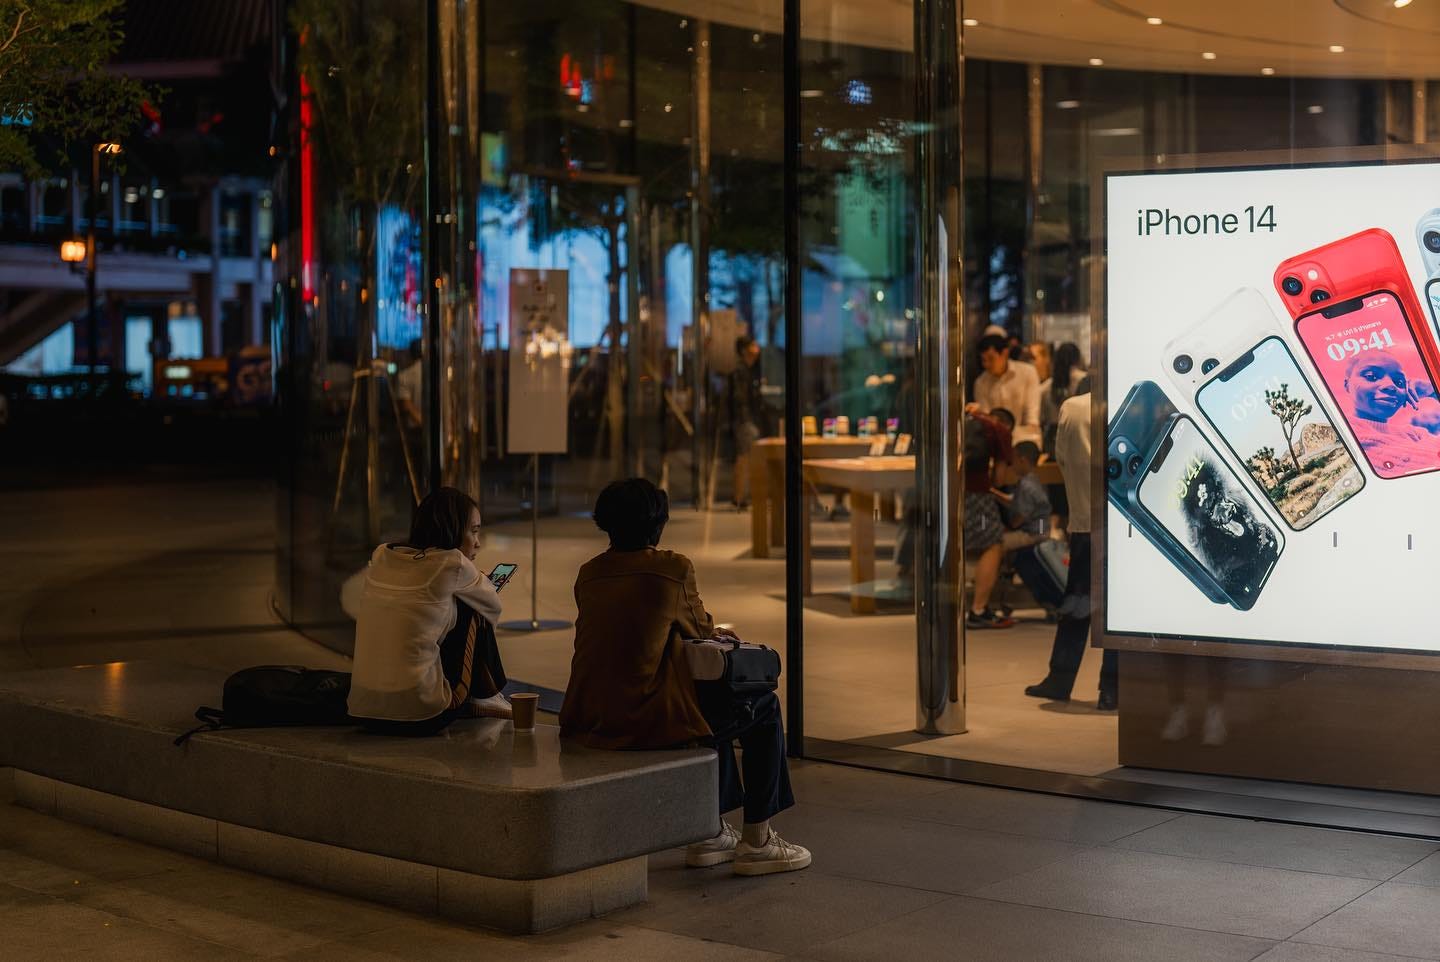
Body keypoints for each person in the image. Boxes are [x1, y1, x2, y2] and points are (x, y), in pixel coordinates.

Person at [560, 478, 811, 876]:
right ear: (658, 524)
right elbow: (699, 625)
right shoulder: (671, 568)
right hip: (646, 719)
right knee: (761, 706)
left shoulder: (589, 573)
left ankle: (709, 831)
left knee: (710, 700)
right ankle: (758, 840)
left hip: (590, 716)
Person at [349, 487, 510, 735]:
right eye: (474, 531)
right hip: (424, 714)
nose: (478, 542)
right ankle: (487, 694)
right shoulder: (453, 562)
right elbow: (491, 606)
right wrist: (477, 583)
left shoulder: (382, 554)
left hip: (364, 711)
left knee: (447, 605)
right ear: (453, 529)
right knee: (473, 607)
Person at [1024, 380, 1118, 710]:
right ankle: (1112, 689)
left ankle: (1059, 679)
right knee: (1119, 608)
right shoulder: (1128, 399)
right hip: (1124, 526)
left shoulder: (1072, 408)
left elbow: (1061, 458)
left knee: (1076, 602)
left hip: (1083, 521)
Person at [993, 441, 1063, 612]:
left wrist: (1007, 527)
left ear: (1022, 460)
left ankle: (997, 586)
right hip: (1041, 530)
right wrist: (994, 493)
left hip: (1033, 533)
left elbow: (1020, 517)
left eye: (1013, 460)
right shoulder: (1035, 480)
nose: (1011, 464)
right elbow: (1015, 502)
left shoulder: (1025, 485)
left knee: (995, 545)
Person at [964, 409, 1015, 629]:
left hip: (946, 490)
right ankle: (979, 609)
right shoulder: (1000, 431)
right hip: (977, 494)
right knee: (993, 543)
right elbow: (1000, 477)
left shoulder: (966, 418)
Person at [972, 333, 1041, 443]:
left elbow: (1032, 418)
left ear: (1005, 353)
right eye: (983, 360)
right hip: (996, 443)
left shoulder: (1027, 373)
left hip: (1026, 439)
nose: (986, 364)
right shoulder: (981, 382)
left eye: (991, 358)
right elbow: (987, 421)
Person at [728, 335, 766, 509]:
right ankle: (739, 497)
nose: (756, 347)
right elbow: (740, 398)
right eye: (752, 345)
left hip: (746, 419)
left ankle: (741, 496)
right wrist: (746, 420)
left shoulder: (748, 369)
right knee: (744, 457)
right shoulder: (741, 371)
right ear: (744, 350)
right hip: (744, 420)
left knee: (745, 457)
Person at [1040, 342, 1086, 454]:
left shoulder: (1045, 387)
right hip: (1077, 436)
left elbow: (1042, 418)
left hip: (1052, 439)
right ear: (1078, 358)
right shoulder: (1085, 380)